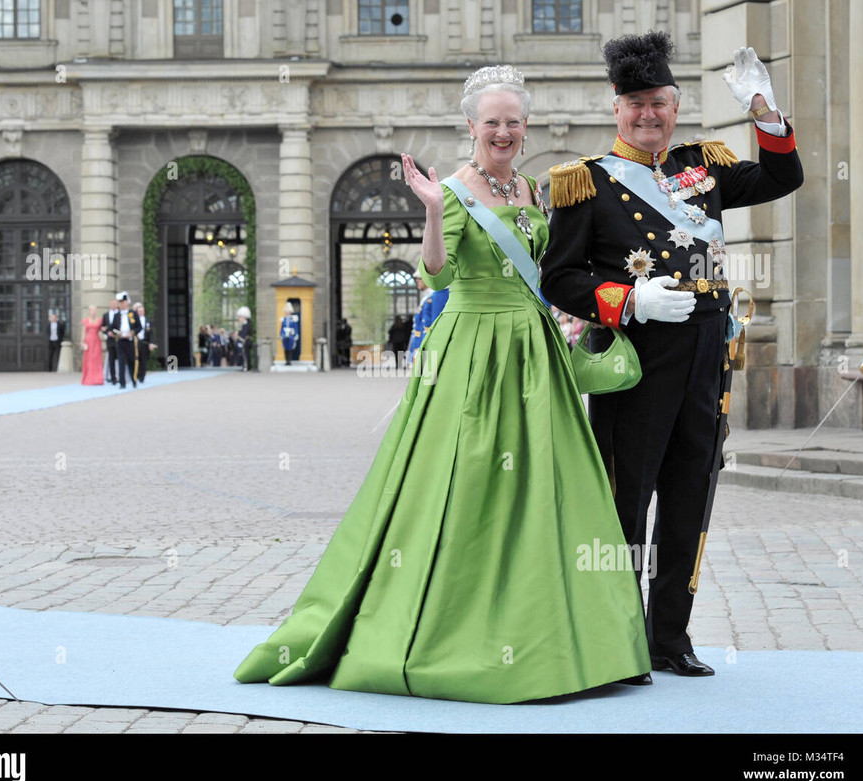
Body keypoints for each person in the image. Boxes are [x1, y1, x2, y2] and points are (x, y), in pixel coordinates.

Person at [236, 65, 650, 703]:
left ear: (526, 126)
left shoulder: (532, 190)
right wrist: (431, 210)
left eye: (514, 122)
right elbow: (436, 275)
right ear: (472, 126)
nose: (503, 132)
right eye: (492, 123)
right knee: (464, 481)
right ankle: (456, 630)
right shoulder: (453, 192)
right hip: (474, 350)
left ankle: (582, 641)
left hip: (534, 346)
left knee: (555, 481)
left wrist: (583, 307)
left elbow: (547, 269)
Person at [541, 34, 804, 677]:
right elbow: (559, 278)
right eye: (635, 104)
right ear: (616, 108)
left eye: (658, 102)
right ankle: (618, 639)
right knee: (625, 501)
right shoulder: (586, 183)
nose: (647, 115)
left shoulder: (703, 166)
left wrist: (765, 114)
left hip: (706, 357)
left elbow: (782, 177)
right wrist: (629, 300)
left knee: (690, 494)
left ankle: (669, 637)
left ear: (676, 106)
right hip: (636, 361)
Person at [113, 291, 141, 388]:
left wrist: (132, 333)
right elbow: (112, 328)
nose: (122, 304)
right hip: (120, 341)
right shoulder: (117, 315)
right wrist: (118, 333)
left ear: (127, 302)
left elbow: (139, 327)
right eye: (120, 303)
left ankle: (134, 380)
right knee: (121, 362)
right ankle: (122, 383)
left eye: (123, 302)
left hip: (130, 341)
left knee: (131, 361)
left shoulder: (133, 314)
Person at [80, 305, 104, 386]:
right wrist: (82, 342)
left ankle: (98, 378)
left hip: (96, 341)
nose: (93, 312)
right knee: (89, 360)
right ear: (89, 311)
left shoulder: (100, 320)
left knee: (97, 359)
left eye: (95, 310)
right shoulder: (86, 320)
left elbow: (102, 329)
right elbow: (84, 332)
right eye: (92, 310)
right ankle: (89, 378)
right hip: (88, 341)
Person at [101, 298, 119, 383]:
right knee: (111, 359)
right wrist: (107, 332)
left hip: (118, 339)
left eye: (115, 304)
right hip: (110, 340)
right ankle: (112, 377)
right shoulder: (105, 315)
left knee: (119, 359)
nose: (113, 305)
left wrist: (115, 333)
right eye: (112, 303)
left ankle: (119, 376)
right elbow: (103, 327)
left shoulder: (120, 314)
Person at [135, 304, 155, 383]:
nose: (140, 312)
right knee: (137, 360)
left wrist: (151, 343)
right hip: (137, 342)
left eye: (141, 311)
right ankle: (137, 375)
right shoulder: (134, 321)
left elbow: (151, 333)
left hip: (145, 342)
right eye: (139, 311)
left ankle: (142, 377)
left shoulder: (148, 320)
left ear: (144, 312)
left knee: (144, 360)